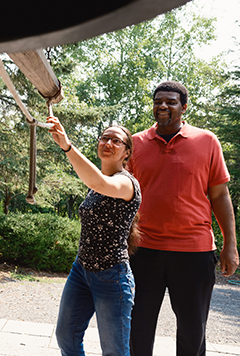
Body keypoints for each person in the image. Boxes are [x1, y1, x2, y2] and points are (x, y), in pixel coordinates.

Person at [127, 81, 239, 356]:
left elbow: (220, 196)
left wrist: (230, 245)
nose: (163, 106)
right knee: (136, 328)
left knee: (193, 332)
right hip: (143, 250)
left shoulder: (207, 141)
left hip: (194, 251)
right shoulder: (137, 143)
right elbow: (122, 193)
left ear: (184, 106)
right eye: (158, 101)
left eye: (171, 102)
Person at [47, 115, 142, 356]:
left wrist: (67, 146)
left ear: (127, 153)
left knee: (114, 351)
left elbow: (99, 183)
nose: (108, 143)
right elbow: (96, 181)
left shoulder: (127, 183)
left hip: (112, 276)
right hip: (81, 271)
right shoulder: (96, 184)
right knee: (66, 337)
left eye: (116, 141)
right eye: (104, 138)